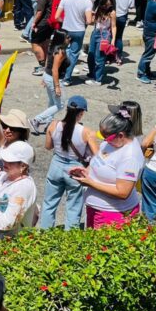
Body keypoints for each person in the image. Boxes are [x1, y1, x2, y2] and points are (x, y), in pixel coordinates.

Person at [72, 106, 145, 228]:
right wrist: (85, 172)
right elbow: (98, 160)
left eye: (108, 137)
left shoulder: (130, 156)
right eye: (103, 136)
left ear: (121, 135)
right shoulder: (111, 143)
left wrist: (90, 183)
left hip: (114, 214)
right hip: (97, 209)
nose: (105, 140)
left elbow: (123, 193)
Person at [39, 96, 96, 231]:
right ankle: (69, 239)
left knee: (49, 204)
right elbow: (97, 156)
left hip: (56, 165)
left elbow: (48, 146)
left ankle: (44, 236)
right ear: (81, 113)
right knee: (74, 207)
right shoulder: (86, 132)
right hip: (75, 168)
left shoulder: (53, 125)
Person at [0, 142, 37, 241]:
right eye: (4, 159)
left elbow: (7, 223)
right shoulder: (6, 175)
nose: (4, 162)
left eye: (10, 161)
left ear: (23, 166)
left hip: (11, 244)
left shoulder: (23, 187)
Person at [29, 30, 69, 134]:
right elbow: (55, 69)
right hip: (53, 78)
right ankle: (36, 120)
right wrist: (57, 86)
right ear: (62, 39)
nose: (69, 39)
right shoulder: (61, 51)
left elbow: (47, 62)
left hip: (48, 76)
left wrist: (44, 77)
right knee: (60, 104)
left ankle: (47, 122)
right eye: (67, 38)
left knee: (52, 102)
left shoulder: (52, 47)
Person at [56, 0, 93, 86]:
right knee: (73, 54)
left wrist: (66, 21)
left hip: (66, 29)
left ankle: (58, 73)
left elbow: (57, 17)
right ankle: (67, 78)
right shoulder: (87, 2)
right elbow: (89, 21)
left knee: (64, 52)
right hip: (79, 30)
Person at [86, 0, 117, 87]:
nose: (108, 6)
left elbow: (113, 26)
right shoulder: (98, 8)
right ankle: (92, 74)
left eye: (109, 4)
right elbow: (92, 22)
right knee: (91, 55)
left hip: (104, 35)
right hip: (95, 32)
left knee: (99, 58)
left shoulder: (112, 12)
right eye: (106, 4)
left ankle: (98, 79)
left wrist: (113, 40)